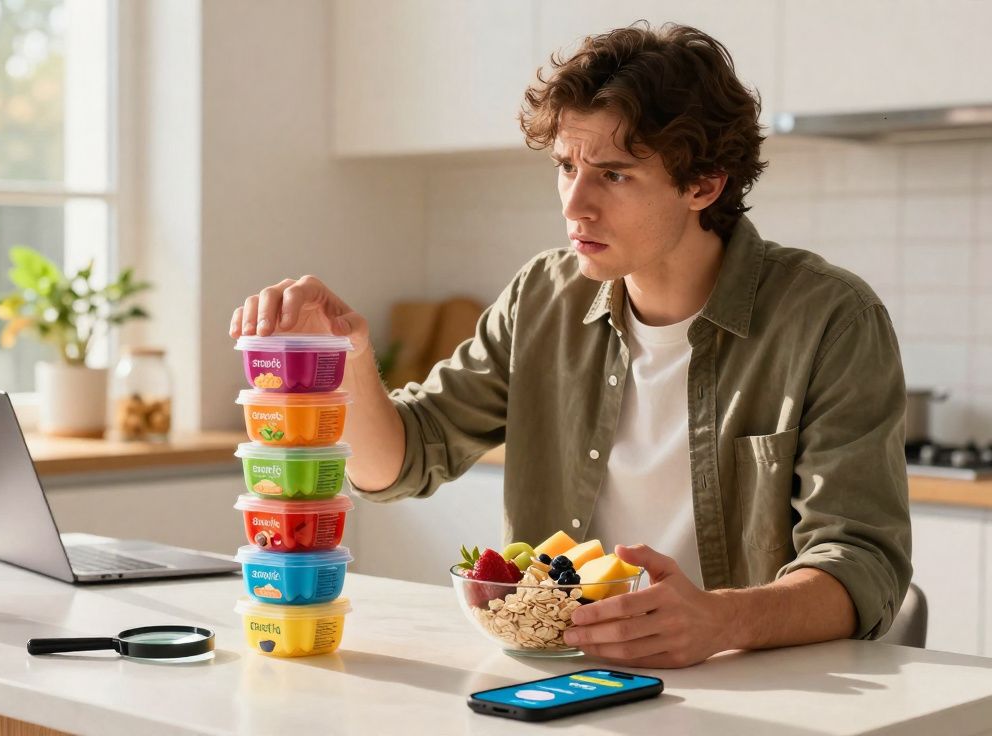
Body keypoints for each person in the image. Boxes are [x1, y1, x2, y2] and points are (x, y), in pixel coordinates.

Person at [228, 23, 911, 668]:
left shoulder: (829, 318)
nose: (573, 205)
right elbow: (402, 463)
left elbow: (862, 565)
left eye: (613, 175)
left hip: (749, 688)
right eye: (564, 167)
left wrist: (719, 620)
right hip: (564, 678)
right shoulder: (543, 298)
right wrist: (346, 357)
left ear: (704, 185)